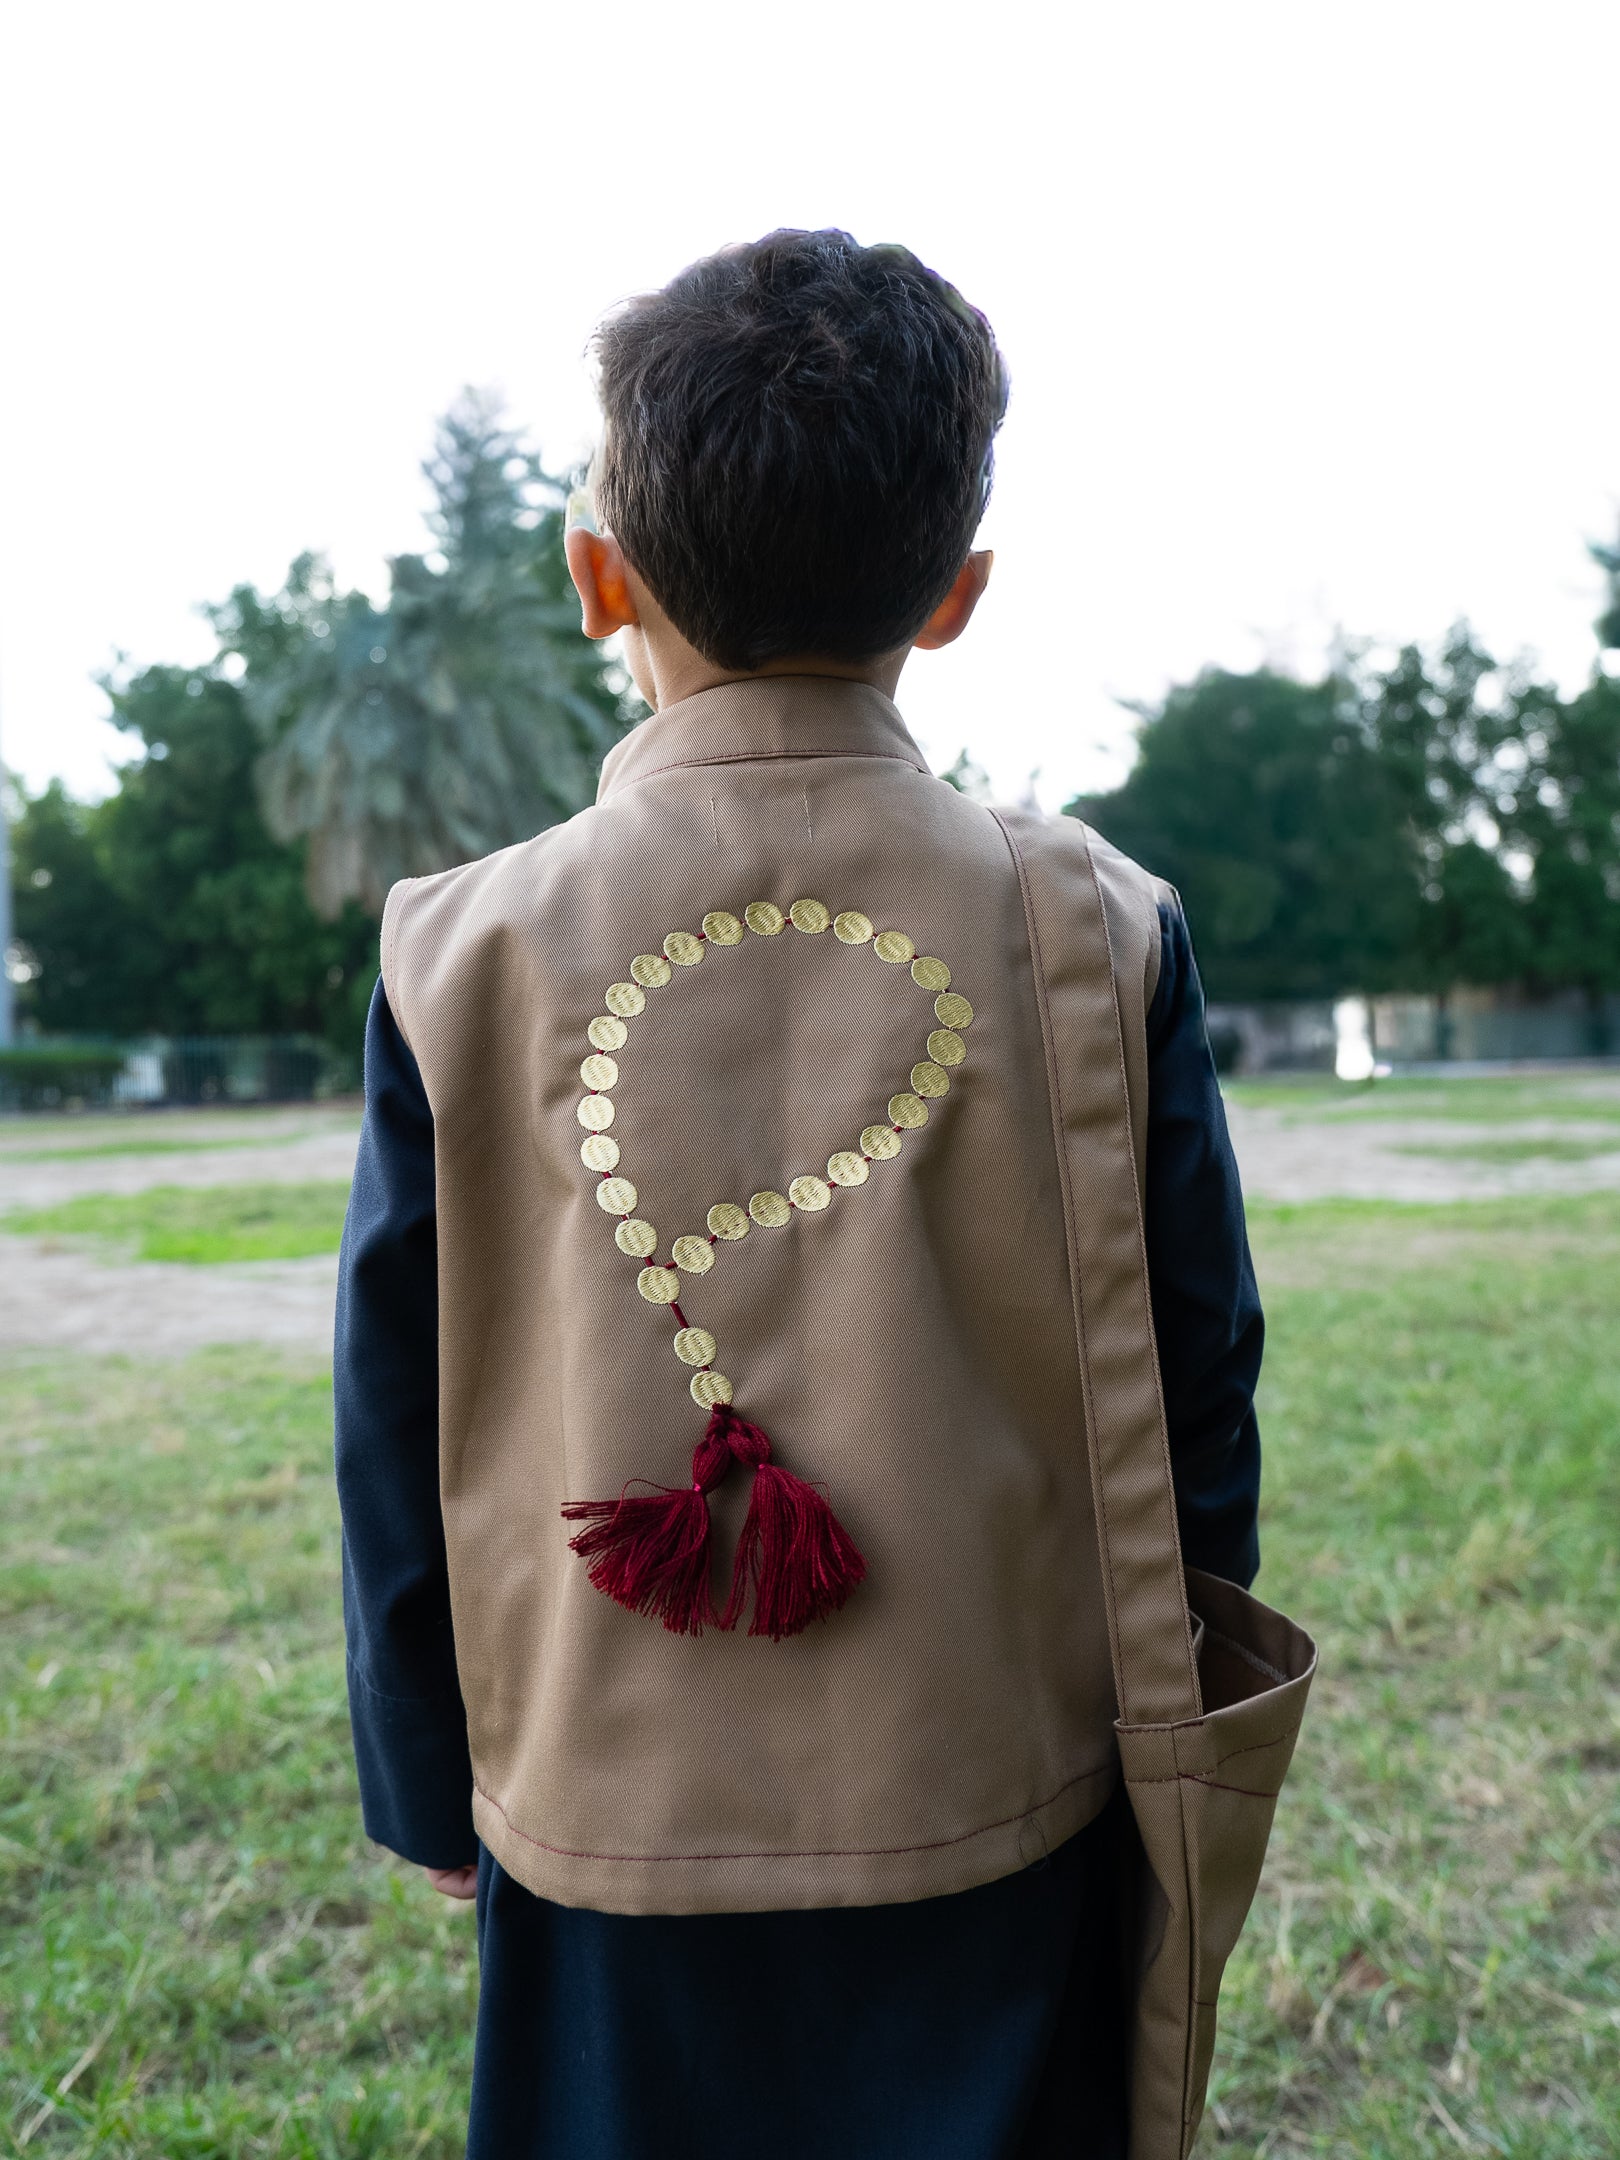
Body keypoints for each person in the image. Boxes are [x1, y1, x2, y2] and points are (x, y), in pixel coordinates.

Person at [334, 229, 1262, 2160]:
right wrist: (1174, 1712)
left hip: (598, 1817)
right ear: (958, 593)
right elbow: (1198, 1374)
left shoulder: (458, 948)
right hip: (1009, 1790)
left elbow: (394, 1413)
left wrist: (428, 1777)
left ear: (599, 578)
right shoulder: (1098, 927)